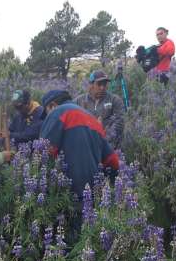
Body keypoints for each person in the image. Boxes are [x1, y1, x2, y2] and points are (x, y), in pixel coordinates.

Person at [40, 89, 120, 243]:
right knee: (86, 245)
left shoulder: (58, 113)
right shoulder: (93, 120)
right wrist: (114, 188)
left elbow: (44, 152)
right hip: (92, 198)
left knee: (64, 245)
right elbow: (113, 161)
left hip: (65, 197)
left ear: (52, 105)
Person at [73, 70, 124, 149]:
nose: (102, 87)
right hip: (86, 146)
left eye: (104, 84)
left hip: (109, 147)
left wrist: (104, 136)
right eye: (99, 84)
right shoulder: (78, 101)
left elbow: (119, 123)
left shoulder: (114, 100)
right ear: (91, 85)